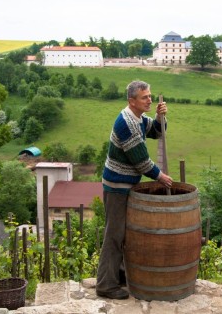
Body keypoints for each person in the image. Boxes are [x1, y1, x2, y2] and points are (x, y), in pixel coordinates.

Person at [96, 80, 173, 299]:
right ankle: (105, 285)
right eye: (144, 97)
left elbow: (158, 132)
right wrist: (161, 177)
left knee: (124, 233)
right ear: (132, 101)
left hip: (128, 184)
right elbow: (141, 161)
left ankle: (119, 275)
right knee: (114, 235)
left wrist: (160, 117)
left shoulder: (138, 118)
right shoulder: (126, 123)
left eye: (150, 96)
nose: (149, 100)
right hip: (117, 186)